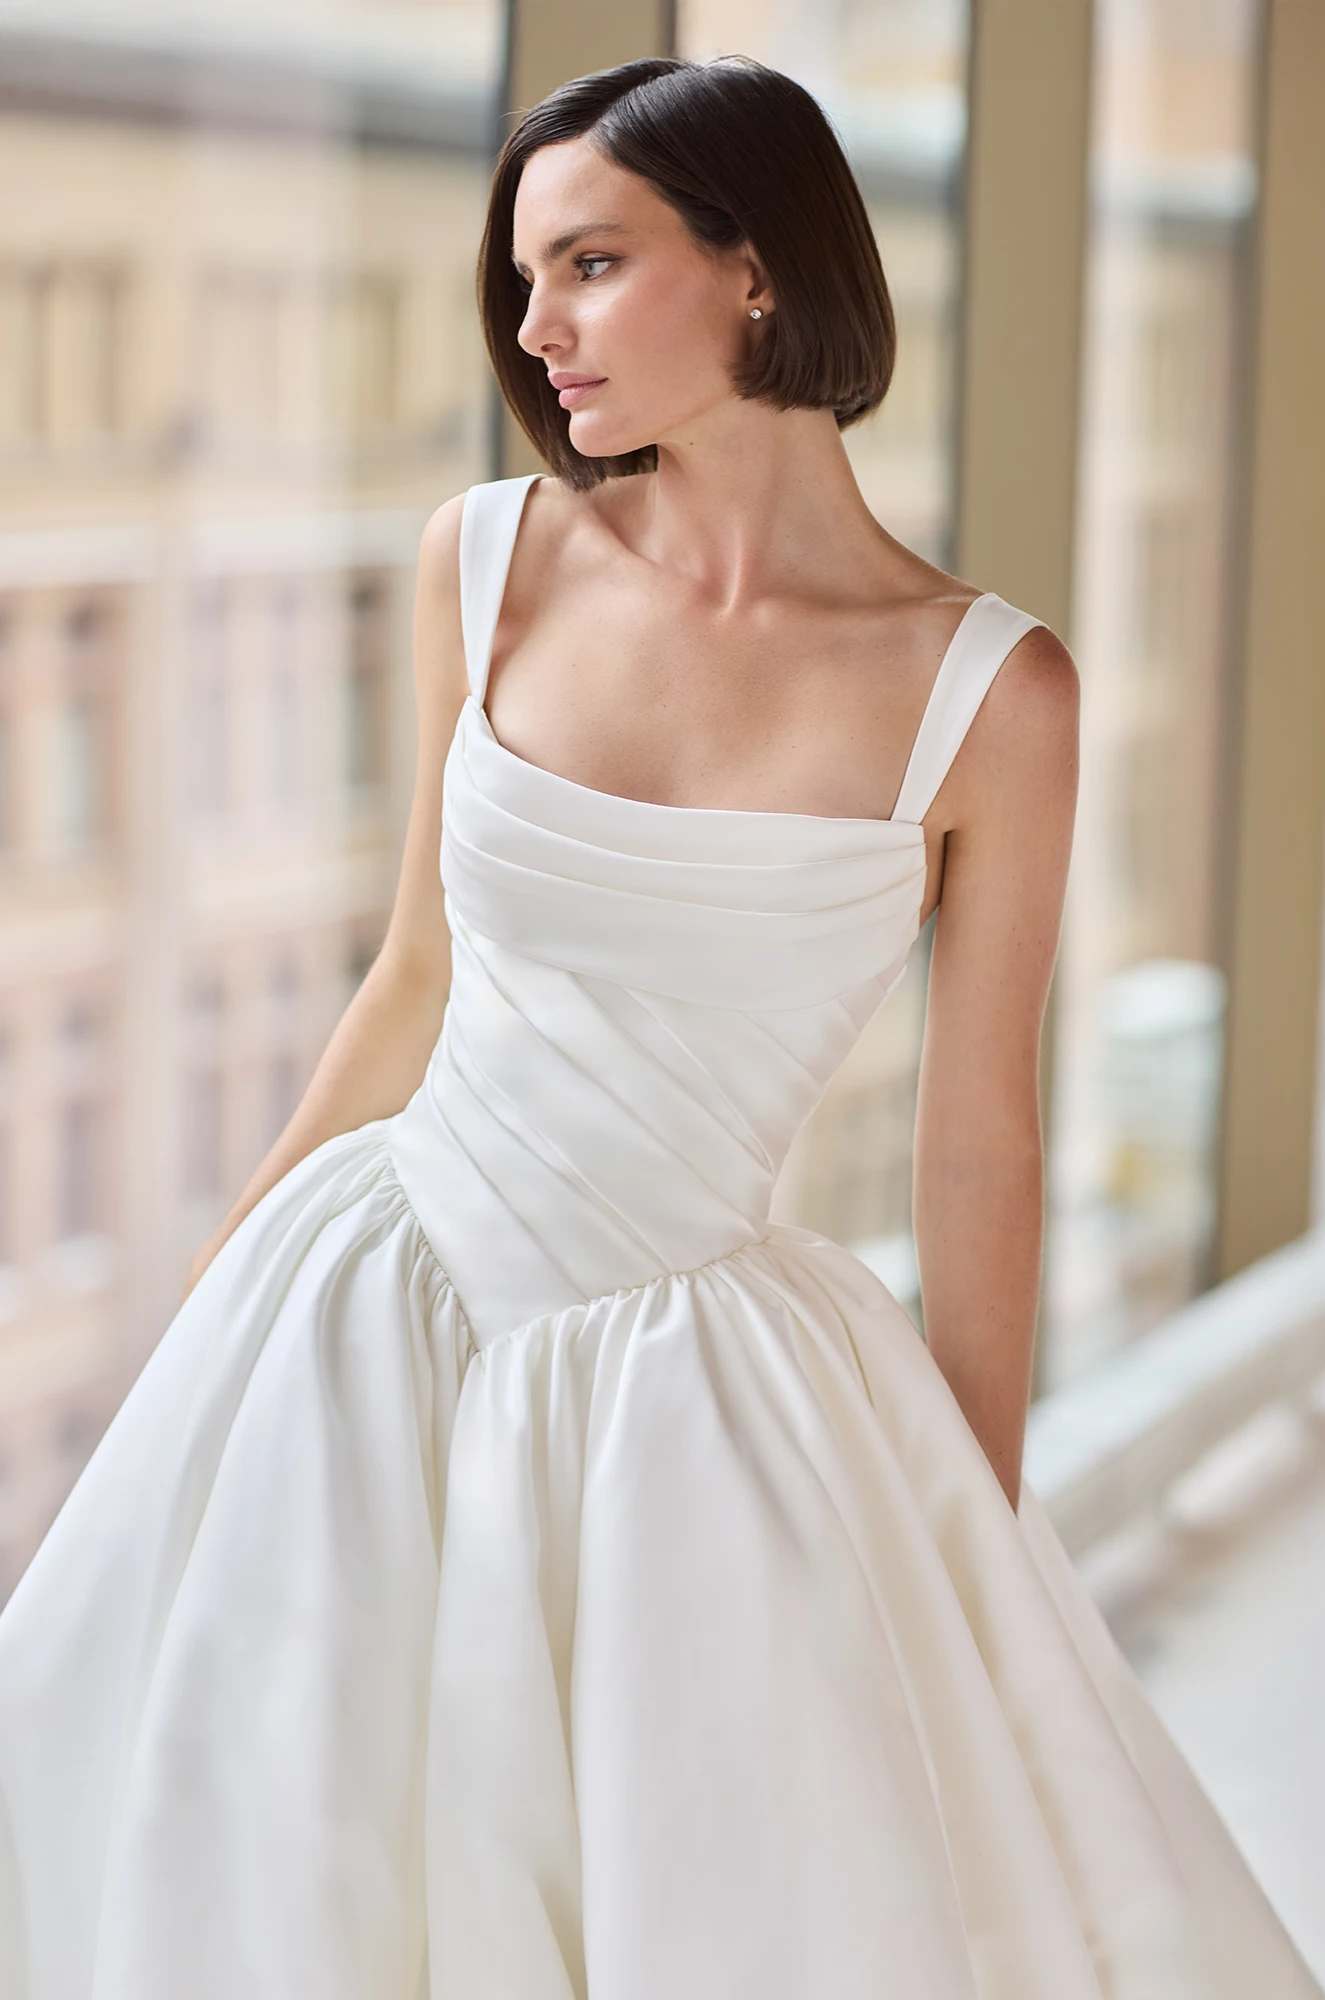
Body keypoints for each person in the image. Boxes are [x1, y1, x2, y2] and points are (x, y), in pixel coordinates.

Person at [0, 54, 1316, 2000]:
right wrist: (214, 1302)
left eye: (592, 265)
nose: (536, 333)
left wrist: (962, 1533)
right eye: (524, 281)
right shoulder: (483, 560)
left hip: (693, 1390)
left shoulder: (985, 694)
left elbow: (978, 1140)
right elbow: (413, 980)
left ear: (760, 269)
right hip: (365, 1314)